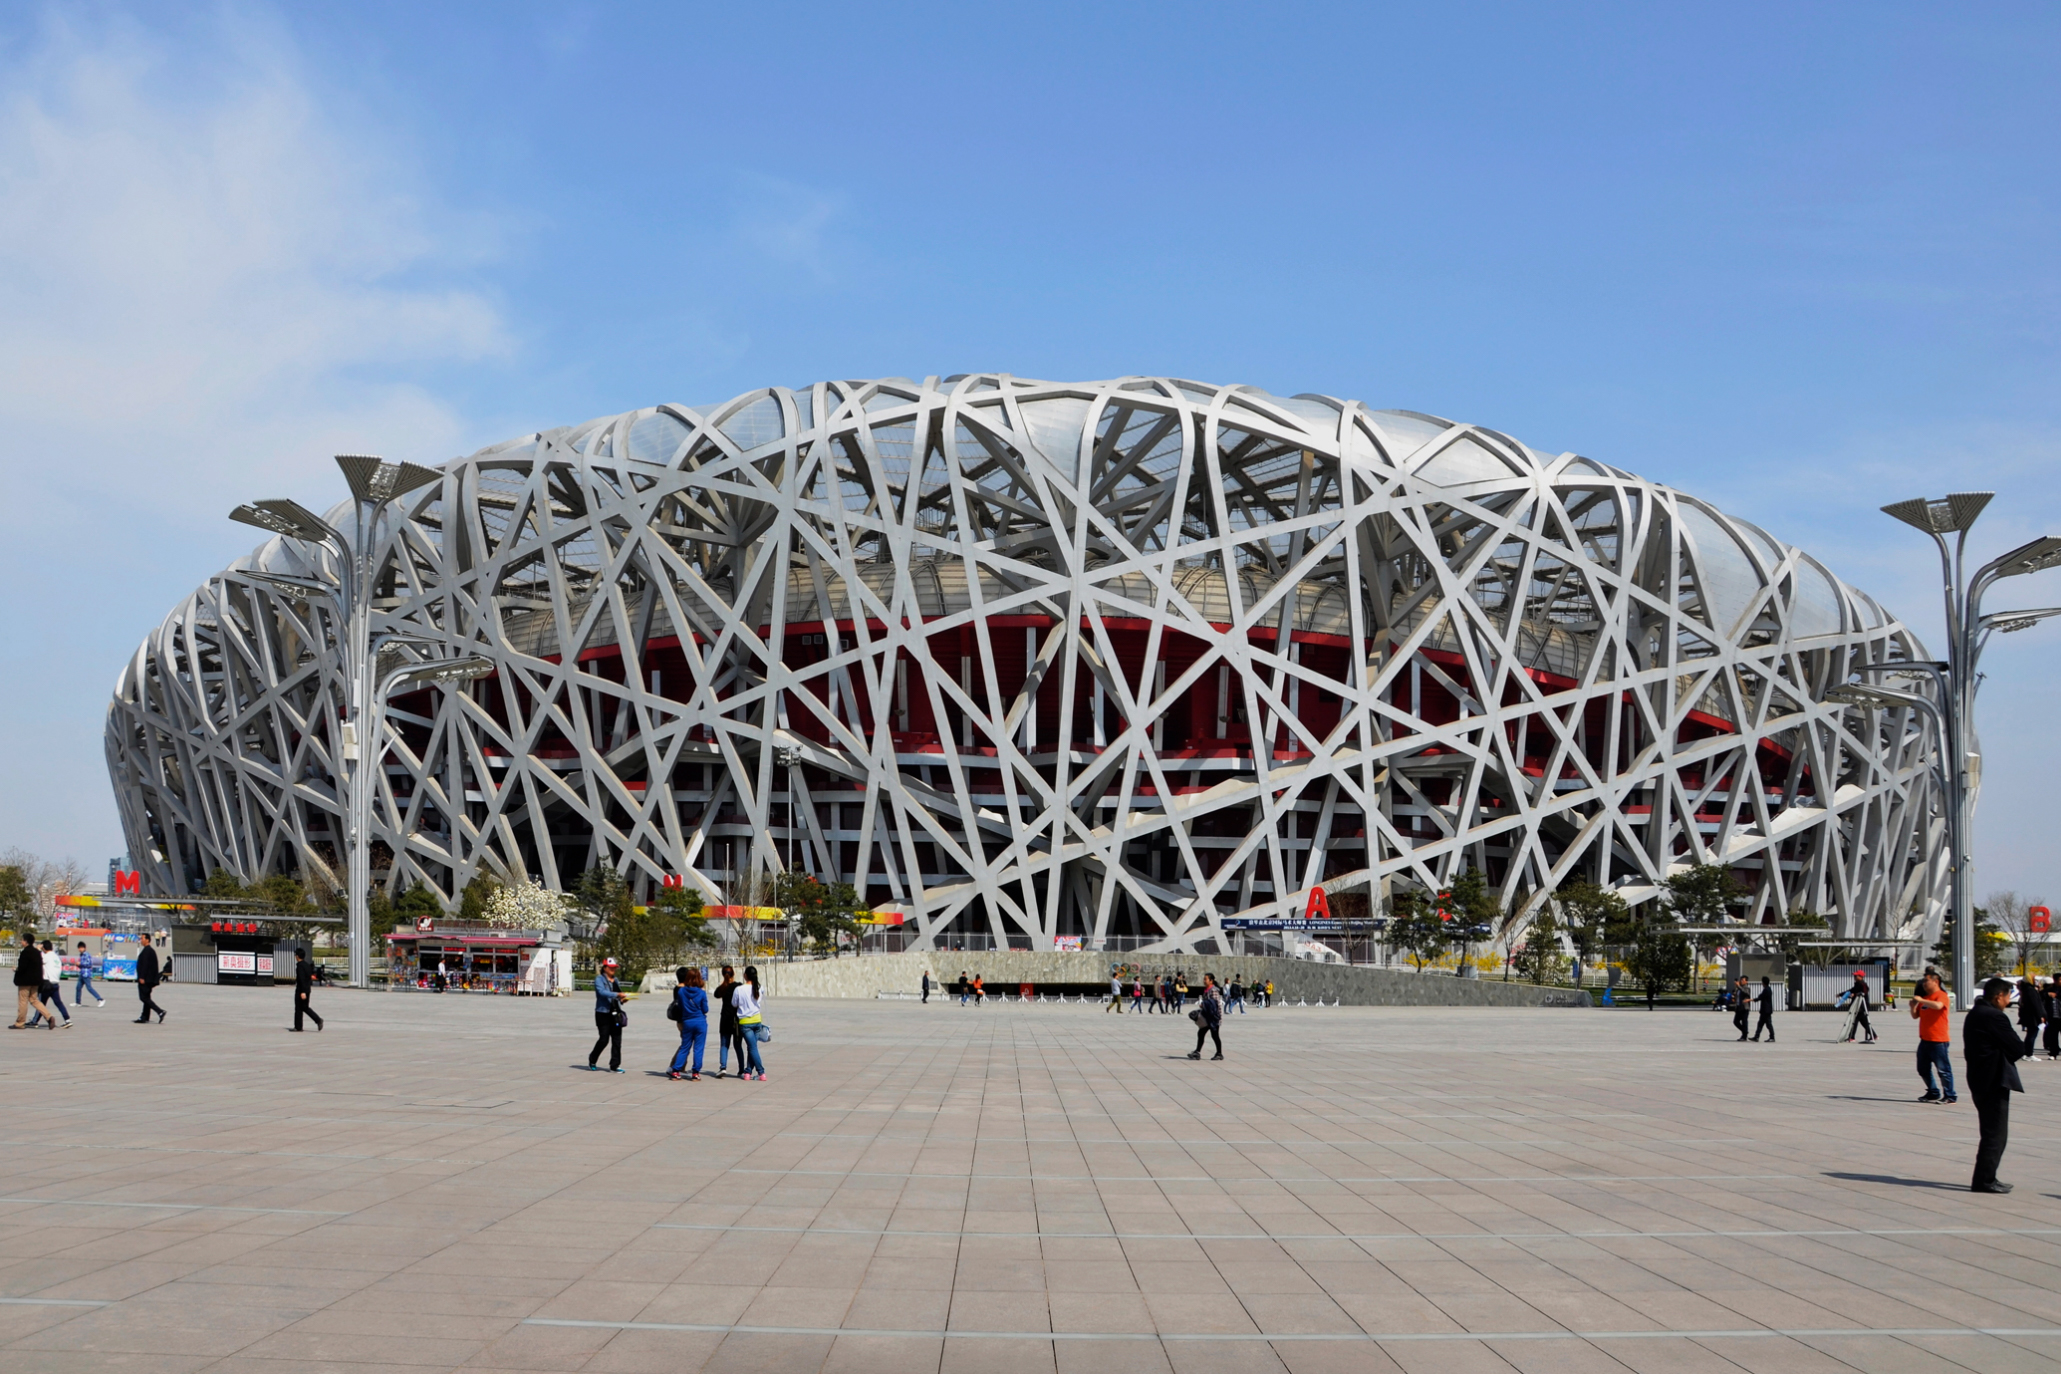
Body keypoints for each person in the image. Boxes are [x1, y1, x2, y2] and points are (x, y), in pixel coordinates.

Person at [1965, 976, 2026, 1193]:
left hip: (1979, 1078)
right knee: (1995, 1134)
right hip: (1992, 1080)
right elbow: (2018, 1048)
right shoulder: (1994, 1017)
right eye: (2008, 996)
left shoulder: (1975, 1013)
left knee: (1991, 1131)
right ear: (1999, 996)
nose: (2009, 1001)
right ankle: (1984, 1180)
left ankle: (1987, 1177)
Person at [1912, 971, 1957, 1103]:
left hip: (1939, 1040)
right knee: (1922, 1069)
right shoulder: (1926, 998)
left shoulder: (1941, 995)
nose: (1924, 984)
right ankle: (1933, 1091)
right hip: (1925, 1039)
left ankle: (1950, 1095)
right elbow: (1916, 1016)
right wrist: (1913, 1006)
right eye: (1923, 982)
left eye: (1926, 981)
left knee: (1943, 1070)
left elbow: (1939, 1006)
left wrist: (1921, 1000)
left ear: (1935, 981)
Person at [668, 966, 709, 1080]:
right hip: (700, 1021)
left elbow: (680, 1006)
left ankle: (676, 1070)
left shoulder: (681, 991)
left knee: (685, 1046)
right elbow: (705, 1009)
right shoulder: (701, 993)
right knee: (698, 1048)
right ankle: (695, 1072)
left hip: (687, 1021)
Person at [587, 956, 625, 1072]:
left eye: (614, 968)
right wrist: (617, 995)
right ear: (605, 968)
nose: (613, 970)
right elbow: (602, 992)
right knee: (604, 1039)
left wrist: (622, 999)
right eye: (611, 967)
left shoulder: (616, 980)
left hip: (615, 1014)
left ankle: (615, 1065)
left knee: (617, 1040)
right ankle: (592, 1059)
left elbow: (618, 994)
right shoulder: (599, 979)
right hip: (602, 1013)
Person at [12, 934, 55, 1030]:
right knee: (34, 1000)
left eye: (22, 940)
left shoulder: (25, 952)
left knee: (23, 1001)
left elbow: (23, 967)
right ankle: (49, 1016)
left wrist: (16, 970)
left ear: (26, 941)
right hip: (35, 981)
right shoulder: (37, 952)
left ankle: (20, 1023)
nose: (21, 942)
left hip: (25, 981)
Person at [733, 965, 766, 1081]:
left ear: (745, 975)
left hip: (745, 1022)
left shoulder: (739, 989)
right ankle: (747, 1072)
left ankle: (761, 1072)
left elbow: (734, 1004)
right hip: (757, 1021)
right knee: (753, 1047)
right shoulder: (760, 988)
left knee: (752, 1048)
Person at [26, 940, 70, 1029]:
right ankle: (67, 1019)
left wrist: (37, 950)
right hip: (55, 983)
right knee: (58, 1003)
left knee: (40, 1003)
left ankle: (35, 1021)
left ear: (44, 948)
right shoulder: (56, 957)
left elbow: (36, 960)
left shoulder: (46, 956)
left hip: (46, 983)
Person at [712, 965, 746, 1077]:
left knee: (724, 1044)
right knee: (738, 1045)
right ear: (734, 974)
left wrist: (723, 983)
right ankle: (741, 1070)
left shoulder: (723, 987)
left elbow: (716, 994)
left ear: (723, 974)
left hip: (725, 1019)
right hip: (736, 1020)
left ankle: (723, 1067)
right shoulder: (739, 986)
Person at [1186, 972, 1224, 1060]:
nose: (1204, 981)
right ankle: (1197, 1052)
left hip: (1214, 1017)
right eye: (1204, 979)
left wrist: (1204, 1004)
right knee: (1201, 1033)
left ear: (1211, 981)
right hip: (1207, 1017)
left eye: (1205, 979)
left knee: (1215, 1036)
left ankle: (1219, 1053)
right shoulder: (1207, 989)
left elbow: (1215, 1004)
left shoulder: (1213, 990)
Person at [1838, 970, 1876, 1044]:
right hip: (1858, 1006)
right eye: (1854, 976)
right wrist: (1841, 994)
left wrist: (1855, 994)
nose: (1854, 977)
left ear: (1861, 977)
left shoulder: (1863, 984)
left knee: (1855, 1021)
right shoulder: (1857, 984)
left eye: (1856, 976)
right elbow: (1851, 991)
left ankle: (1852, 1037)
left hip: (1862, 1006)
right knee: (1864, 1022)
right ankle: (1873, 1035)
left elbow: (1864, 992)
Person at [291, 947, 323, 1032]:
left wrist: (302, 992)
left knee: (299, 1008)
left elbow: (302, 979)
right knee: (304, 1007)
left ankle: (299, 1026)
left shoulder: (300, 966)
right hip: (307, 989)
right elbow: (309, 978)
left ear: (297, 956)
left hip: (301, 990)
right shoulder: (307, 965)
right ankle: (317, 1020)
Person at [135, 938, 165, 1024]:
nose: (141, 940)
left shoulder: (147, 951)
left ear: (147, 940)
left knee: (144, 997)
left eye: (143, 938)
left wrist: (142, 977)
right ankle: (144, 1016)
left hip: (145, 979)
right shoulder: (149, 951)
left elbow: (145, 965)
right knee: (147, 998)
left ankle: (160, 1011)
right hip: (149, 979)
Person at [2016, 976, 2043, 1058]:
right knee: (2032, 1035)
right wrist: (2040, 1016)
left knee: (2030, 1034)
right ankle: (2029, 1053)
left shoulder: (2025, 989)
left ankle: (2026, 1052)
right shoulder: (2030, 990)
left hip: (2028, 1016)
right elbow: (2035, 1005)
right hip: (2032, 1017)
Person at [73, 941, 105, 1008]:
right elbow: (82, 965)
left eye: (81, 948)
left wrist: (80, 964)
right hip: (82, 973)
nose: (80, 949)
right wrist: (78, 965)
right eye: (79, 948)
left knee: (89, 988)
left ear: (85, 948)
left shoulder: (86, 954)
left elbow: (89, 964)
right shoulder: (81, 955)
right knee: (78, 988)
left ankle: (100, 999)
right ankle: (77, 1002)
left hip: (86, 974)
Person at [1751, 975, 1775, 1042]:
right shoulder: (1768, 989)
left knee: (1768, 1024)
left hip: (1766, 1010)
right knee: (1760, 1024)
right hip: (1765, 1010)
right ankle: (1756, 1037)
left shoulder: (1766, 990)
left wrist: (1752, 999)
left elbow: (1760, 997)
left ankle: (1772, 1037)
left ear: (1763, 982)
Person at [2045, 977, 2061, 1061]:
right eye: (2059, 980)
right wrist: (2048, 994)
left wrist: (2056, 995)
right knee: (2053, 1036)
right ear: (2055, 980)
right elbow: (2042, 996)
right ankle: (2053, 1053)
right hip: (2053, 1017)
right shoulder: (2050, 989)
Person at [1732, 976, 1751, 1041]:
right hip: (1738, 1007)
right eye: (1741, 980)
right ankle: (1745, 1031)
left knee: (1744, 1021)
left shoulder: (1747, 988)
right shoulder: (1738, 988)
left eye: (1743, 980)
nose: (1741, 981)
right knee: (1736, 1021)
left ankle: (1744, 1036)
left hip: (1744, 1007)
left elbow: (1746, 993)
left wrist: (1739, 986)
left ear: (1746, 981)